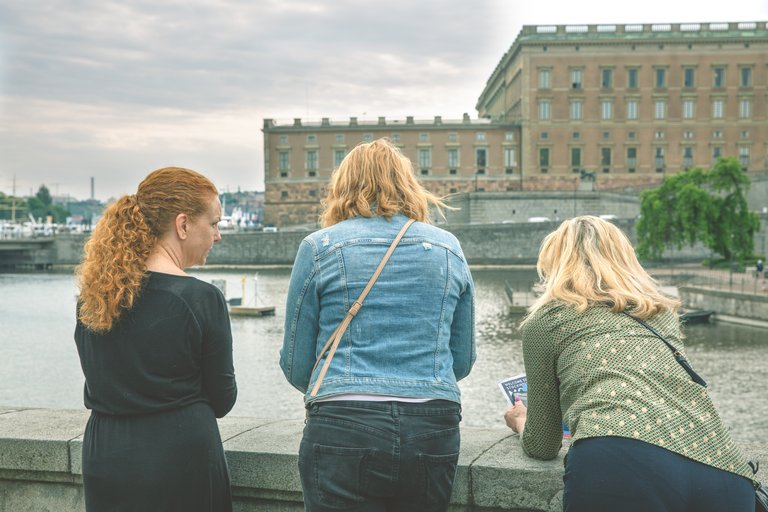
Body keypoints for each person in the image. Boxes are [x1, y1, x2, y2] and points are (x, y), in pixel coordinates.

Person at [503, 216, 757, 512]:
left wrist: (520, 419)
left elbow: (543, 444)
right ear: (625, 259)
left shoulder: (547, 320)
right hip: (722, 468)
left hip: (618, 460)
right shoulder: (660, 314)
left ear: (554, 264)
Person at [280, 138, 476, 511]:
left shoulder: (319, 247)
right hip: (432, 422)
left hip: (343, 421)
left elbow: (296, 363)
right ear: (408, 185)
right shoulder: (448, 248)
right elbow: (462, 359)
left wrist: (342, 387)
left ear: (342, 187)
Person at [74, 167, 237, 511]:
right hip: (179, 458)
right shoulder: (200, 298)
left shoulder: (94, 296)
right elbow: (223, 399)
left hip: (105, 453)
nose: (218, 235)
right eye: (214, 223)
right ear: (183, 225)